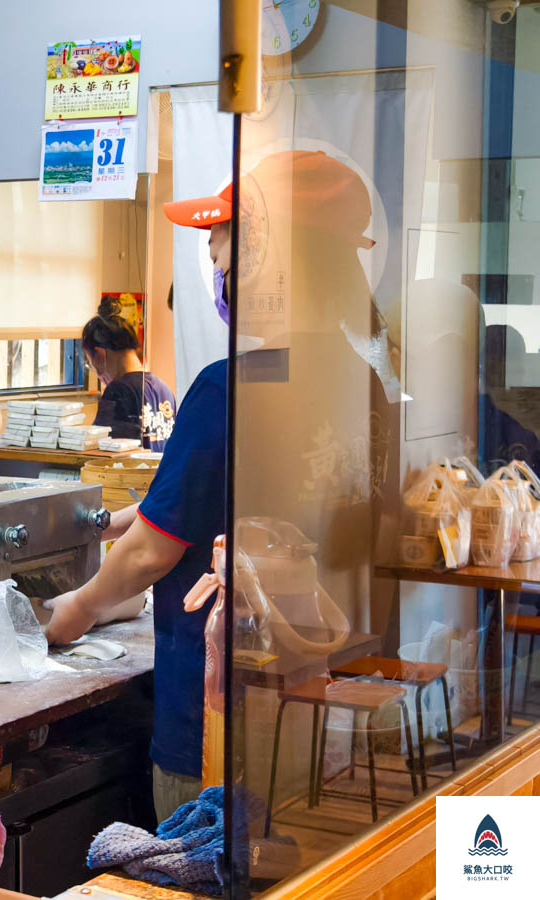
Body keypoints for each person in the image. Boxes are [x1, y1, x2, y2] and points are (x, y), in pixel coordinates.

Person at [47, 149, 390, 823]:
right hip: (311, 699)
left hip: (217, 713)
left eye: (225, 256)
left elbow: (152, 556)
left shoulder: (230, 386)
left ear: (276, 258)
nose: (217, 268)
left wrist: (78, 609)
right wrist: (146, 512)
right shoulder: (360, 380)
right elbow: (279, 502)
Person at [83, 296, 177, 450]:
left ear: (99, 354)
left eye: (91, 365)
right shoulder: (164, 389)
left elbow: (101, 452)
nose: (98, 375)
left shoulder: (118, 391)